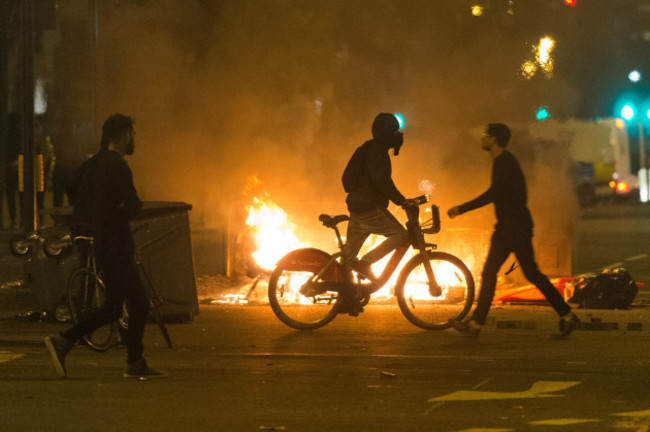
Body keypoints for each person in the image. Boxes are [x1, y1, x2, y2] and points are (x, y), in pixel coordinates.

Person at [45, 114, 166, 378]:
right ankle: (64, 339)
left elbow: (73, 188)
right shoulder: (118, 166)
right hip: (116, 244)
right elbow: (133, 204)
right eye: (133, 135)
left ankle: (135, 361)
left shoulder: (94, 164)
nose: (134, 140)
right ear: (123, 135)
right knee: (113, 307)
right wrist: (122, 210)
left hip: (105, 241)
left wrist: (93, 214)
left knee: (139, 302)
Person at [447, 123, 580, 337]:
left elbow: (493, 194)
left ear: (493, 139)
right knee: (498, 272)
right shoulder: (502, 161)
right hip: (509, 227)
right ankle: (476, 325)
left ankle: (567, 315)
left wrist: (461, 208)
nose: (482, 139)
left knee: (527, 274)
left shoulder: (505, 163)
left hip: (514, 228)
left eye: (485, 136)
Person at [342, 112, 415, 280]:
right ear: (386, 133)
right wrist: (402, 201)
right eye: (394, 132)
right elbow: (382, 181)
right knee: (402, 235)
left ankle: (346, 297)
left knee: (348, 261)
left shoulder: (369, 147)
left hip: (357, 207)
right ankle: (366, 263)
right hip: (369, 209)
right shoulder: (377, 151)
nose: (398, 136)